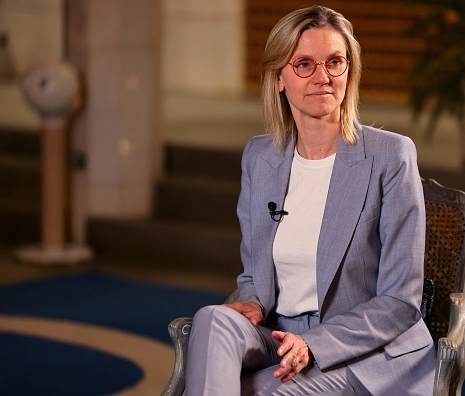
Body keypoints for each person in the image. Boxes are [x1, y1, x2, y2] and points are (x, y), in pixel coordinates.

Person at [185, 5, 435, 395]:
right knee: (212, 320)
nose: (323, 77)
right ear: (279, 78)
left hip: (365, 354)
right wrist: (251, 302)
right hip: (279, 335)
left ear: (349, 72)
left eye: (335, 62)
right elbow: (253, 275)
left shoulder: (391, 156)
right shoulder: (260, 157)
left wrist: (314, 343)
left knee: (259, 391)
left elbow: (401, 301)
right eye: (304, 64)